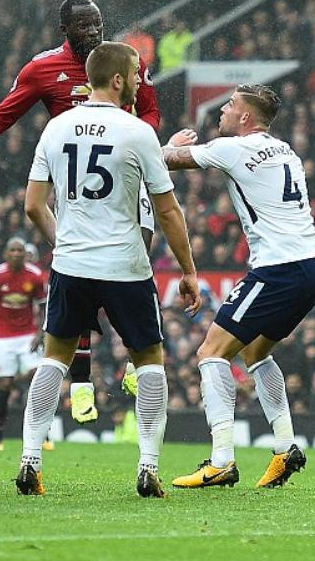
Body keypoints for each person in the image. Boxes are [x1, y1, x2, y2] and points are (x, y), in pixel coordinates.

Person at [0, 0, 160, 423]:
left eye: (98, 25)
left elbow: (152, 112)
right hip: (78, 190)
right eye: (84, 27)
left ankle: (137, 362)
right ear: (65, 30)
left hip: (128, 176)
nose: (95, 33)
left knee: (140, 259)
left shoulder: (124, 60)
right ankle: (81, 384)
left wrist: (136, 140)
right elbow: (2, 116)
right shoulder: (43, 69)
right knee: (80, 275)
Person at [15, 41, 201, 498]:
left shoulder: (56, 128)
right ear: (117, 79)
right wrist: (189, 269)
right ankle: (148, 467)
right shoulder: (136, 132)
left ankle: (30, 460)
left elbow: (33, 206)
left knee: (54, 357)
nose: (141, 81)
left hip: (72, 265)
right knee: (150, 361)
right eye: (137, 73)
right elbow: (169, 212)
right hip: (125, 266)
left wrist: (66, 245)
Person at [161, 83, 315, 489]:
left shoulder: (232, 148)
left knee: (211, 352)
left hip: (278, 268)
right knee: (255, 352)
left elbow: (163, 160)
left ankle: (221, 460)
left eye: (231, 105)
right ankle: (286, 447)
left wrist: (169, 143)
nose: (224, 110)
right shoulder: (286, 149)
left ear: (246, 118)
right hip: (313, 265)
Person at [0, 237, 47, 451]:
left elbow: (43, 306)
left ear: (25, 254)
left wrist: (40, 333)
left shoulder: (34, 276)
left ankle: (44, 434)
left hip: (27, 335)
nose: (17, 253)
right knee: (5, 385)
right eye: (13, 250)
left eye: (20, 250)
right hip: (3, 337)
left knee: (38, 377)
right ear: (6, 253)